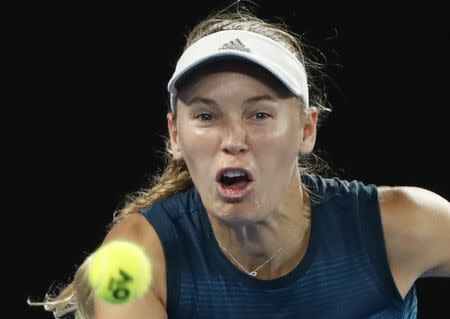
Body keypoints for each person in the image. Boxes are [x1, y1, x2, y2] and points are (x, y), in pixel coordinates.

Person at [28, 2, 450, 319]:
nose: (233, 139)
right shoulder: (130, 258)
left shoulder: (405, 222)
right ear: (176, 134)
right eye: (207, 116)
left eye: (260, 114)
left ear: (306, 130)